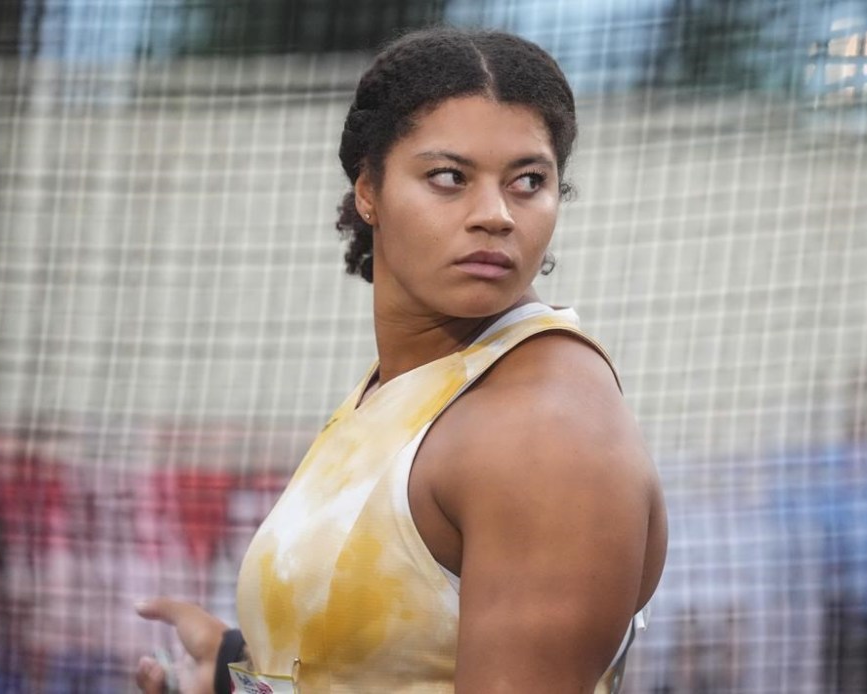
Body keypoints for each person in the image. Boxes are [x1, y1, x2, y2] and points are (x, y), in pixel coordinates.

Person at [135, 26, 667, 694]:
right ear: (369, 189)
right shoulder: (412, 384)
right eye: (449, 178)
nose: (496, 214)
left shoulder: (546, 429)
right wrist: (229, 670)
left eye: (528, 181)